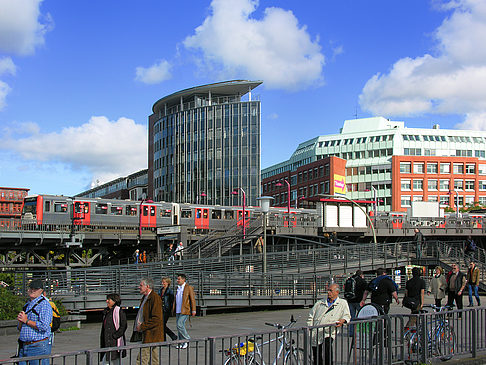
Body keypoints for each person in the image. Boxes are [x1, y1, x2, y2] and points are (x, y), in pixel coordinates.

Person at [307, 283, 351, 365]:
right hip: (316, 331)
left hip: (329, 331)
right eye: (328, 290)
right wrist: (310, 327)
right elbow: (311, 316)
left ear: (337, 292)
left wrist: (343, 320)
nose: (328, 292)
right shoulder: (319, 303)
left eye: (331, 291)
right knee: (316, 354)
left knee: (327, 348)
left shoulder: (342, 303)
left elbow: (347, 315)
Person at [17, 279, 53, 365]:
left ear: (41, 291)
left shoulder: (44, 305)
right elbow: (19, 328)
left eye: (35, 289)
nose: (32, 290)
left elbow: (44, 326)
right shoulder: (27, 304)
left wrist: (26, 320)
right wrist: (21, 321)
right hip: (24, 345)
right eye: (30, 288)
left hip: (38, 346)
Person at [134, 278, 164, 365]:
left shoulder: (154, 298)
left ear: (147, 286)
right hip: (147, 333)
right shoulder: (145, 298)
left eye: (141, 285)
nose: (139, 287)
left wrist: (142, 326)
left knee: (142, 359)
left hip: (151, 334)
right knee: (152, 358)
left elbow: (157, 319)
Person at [100, 293, 127, 365]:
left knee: (112, 361)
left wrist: (115, 336)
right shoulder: (106, 312)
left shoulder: (119, 311)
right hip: (107, 342)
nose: (107, 301)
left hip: (114, 342)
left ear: (114, 301)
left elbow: (123, 326)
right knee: (110, 360)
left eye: (109, 299)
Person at [173, 273, 196, 348]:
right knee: (179, 326)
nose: (177, 280)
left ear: (184, 279)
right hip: (178, 310)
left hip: (185, 309)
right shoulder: (178, 288)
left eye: (179, 279)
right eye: (177, 279)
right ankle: (181, 342)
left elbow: (192, 299)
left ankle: (187, 339)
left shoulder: (188, 288)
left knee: (180, 324)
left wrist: (193, 310)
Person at [344, 270, 367, 336]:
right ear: (361, 275)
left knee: (351, 317)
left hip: (350, 300)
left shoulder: (350, 279)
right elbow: (366, 290)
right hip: (359, 300)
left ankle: (351, 332)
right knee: (362, 316)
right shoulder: (361, 280)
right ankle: (362, 331)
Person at [158, 277, 177, 341]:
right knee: (161, 324)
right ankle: (165, 338)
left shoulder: (169, 291)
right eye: (162, 282)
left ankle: (172, 336)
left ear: (167, 283)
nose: (162, 283)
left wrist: (172, 309)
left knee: (162, 324)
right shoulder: (160, 290)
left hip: (166, 309)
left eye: (164, 282)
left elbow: (172, 301)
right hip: (161, 309)